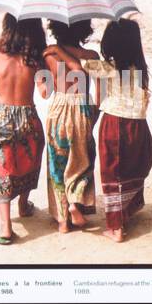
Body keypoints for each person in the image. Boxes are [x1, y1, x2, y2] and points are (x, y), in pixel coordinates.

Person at [0, 14, 47, 244]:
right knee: (28, 160)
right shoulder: (34, 59)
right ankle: (23, 204)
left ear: (7, 27)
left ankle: (5, 226)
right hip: (28, 115)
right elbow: (45, 92)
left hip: (2, 115)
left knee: (2, 165)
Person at [89, 19, 152, 242]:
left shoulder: (107, 68)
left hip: (114, 124)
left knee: (112, 172)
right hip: (138, 125)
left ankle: (115, 228)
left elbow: (80, 65)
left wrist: (58, 49)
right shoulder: (140, 69)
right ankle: (126, 212)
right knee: (131, 167)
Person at [42, 20, 100, 233]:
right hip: (82, 107)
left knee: (57, 163)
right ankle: (76, 203)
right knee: (81, 160)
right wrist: (96, 112)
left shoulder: (49, 55)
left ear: (55, 30)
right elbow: (101, 92)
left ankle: (63, 221)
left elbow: (45, 92)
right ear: (85, 30)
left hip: (58, 108)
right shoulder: (92, 56)